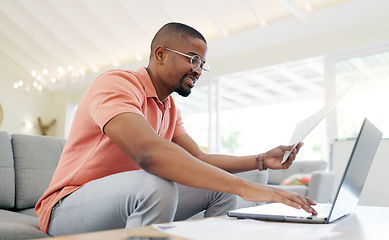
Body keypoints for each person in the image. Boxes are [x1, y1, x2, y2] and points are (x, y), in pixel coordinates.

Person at [35, 22, 317, 236]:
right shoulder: (117, 83)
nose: (198, 70)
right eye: (193, 59)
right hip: (66, 206)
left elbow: (200, 160)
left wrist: (259, 161)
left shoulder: (169, 108)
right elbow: (148, 153)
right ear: (160, 54)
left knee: (221, 189)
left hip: (127, 199)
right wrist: (247, 188)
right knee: (157, 186)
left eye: (202, 64)